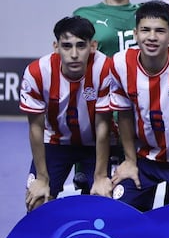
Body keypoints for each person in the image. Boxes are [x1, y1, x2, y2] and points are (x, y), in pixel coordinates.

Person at [94, 1, 169, 212]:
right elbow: (125, 114)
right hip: (142, 160)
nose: (152, 37)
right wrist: (129, 160)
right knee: (120, 212)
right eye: (145, 30)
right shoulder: (120, 63)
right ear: (135, 34)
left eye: (160, 31)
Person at [19, 16, 112, 211]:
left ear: (93, 46)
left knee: (105, 202)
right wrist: (43, 179)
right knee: (37, 202)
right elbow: (36, 127)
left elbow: (103, 126)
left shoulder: (105, 69)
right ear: (56, 47)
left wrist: (100, 176)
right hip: (55, 142)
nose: (74, 54)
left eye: (81, 45)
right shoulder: (37, 72)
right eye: (67, 46)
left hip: (95, 144)